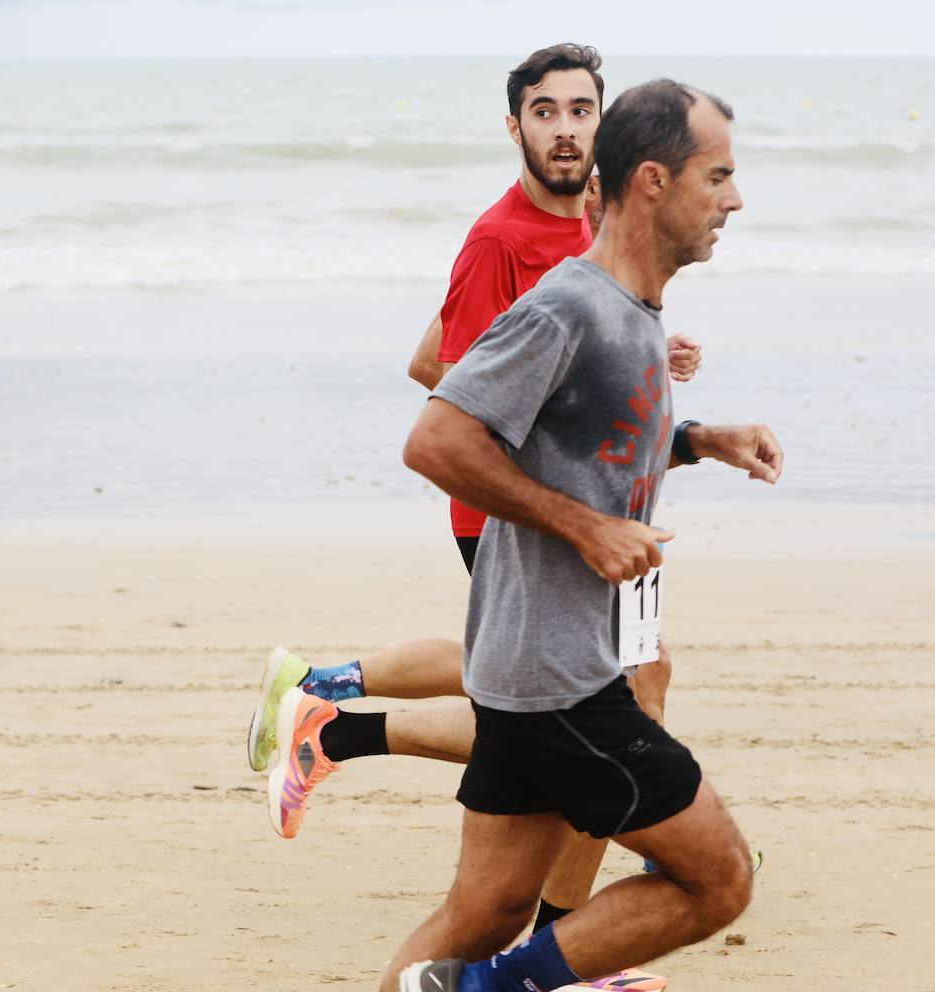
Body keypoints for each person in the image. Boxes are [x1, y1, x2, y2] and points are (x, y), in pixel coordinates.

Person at [250, 44, 705, 930]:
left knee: (561, 706)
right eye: (547, 112)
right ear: (516, 126)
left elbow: (459, 354)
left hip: (596, 505)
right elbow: (449, 380)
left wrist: (651, 357)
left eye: (582, 111)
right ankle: (581, 926)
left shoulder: (599, 222)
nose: (567, 129)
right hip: (518, 511)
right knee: (599, 707)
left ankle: (329, 714)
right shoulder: (500, 239)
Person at [388, 79, 783, 991]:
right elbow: (438, 436)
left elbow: (583, 444)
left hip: (542, 663)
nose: (735, 199)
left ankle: (463, 981)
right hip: (564, 676)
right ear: (653, 181)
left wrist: (696, 440)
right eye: (718, 175)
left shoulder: (635, 311)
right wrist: (584, 527)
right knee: (719, 877)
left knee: (482, 915)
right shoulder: (572, 306)